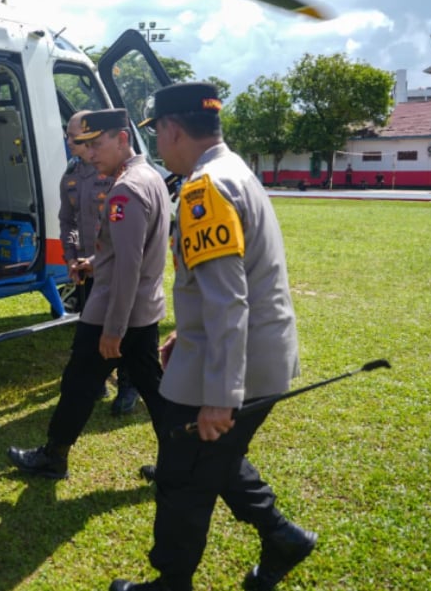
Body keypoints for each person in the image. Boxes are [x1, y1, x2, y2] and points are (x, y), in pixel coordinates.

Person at [111, 83, 315, 591]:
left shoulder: (205, 188)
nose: (157, 141)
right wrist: (188, 329)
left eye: (156, 131)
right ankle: (282, 537)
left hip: (228, 369)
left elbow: (229, 299)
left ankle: (171, 583)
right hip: (247, 355)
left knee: (182, 477)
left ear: (172, 129)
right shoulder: (234, 170)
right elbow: (229, 282)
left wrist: (222, 396)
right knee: (215, 460)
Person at [7, 108, 170, 479]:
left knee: (78, 384)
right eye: (87, 145)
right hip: (142, 309)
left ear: (123, 139)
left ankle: (53, 456)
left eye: (97, 144)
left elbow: (129, 265)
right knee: (155, 391)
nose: (90, 153)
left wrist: (113, 329)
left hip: (115, 311)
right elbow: (129, 252)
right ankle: (181, 464)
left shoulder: (125, 191)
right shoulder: (151, 177)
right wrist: (94, 263)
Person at [58, 110, 140, 414]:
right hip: (88, 265)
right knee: (91, 323)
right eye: (69, 136)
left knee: (126, 323)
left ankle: (129, 385)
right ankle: (98, 380)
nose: (70, 141)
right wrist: (71, 255)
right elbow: (69, 220)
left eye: (74, 136)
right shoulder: (71, 175)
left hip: (115, 262)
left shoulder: (116, 173)